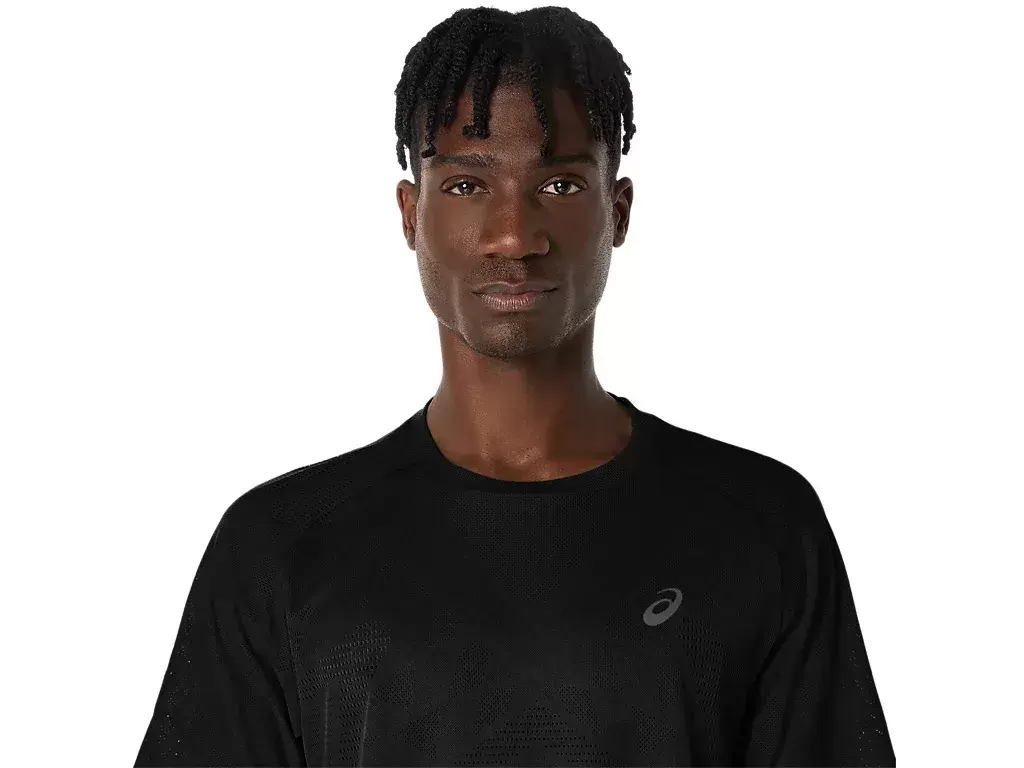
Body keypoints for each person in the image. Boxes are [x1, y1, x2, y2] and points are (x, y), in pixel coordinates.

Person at [135, 6, 895, 766]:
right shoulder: (280, 548)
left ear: (618, 211)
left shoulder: (759, 526)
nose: (513, 235)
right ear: (411, 215)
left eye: (560, 183)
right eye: (467, 184)